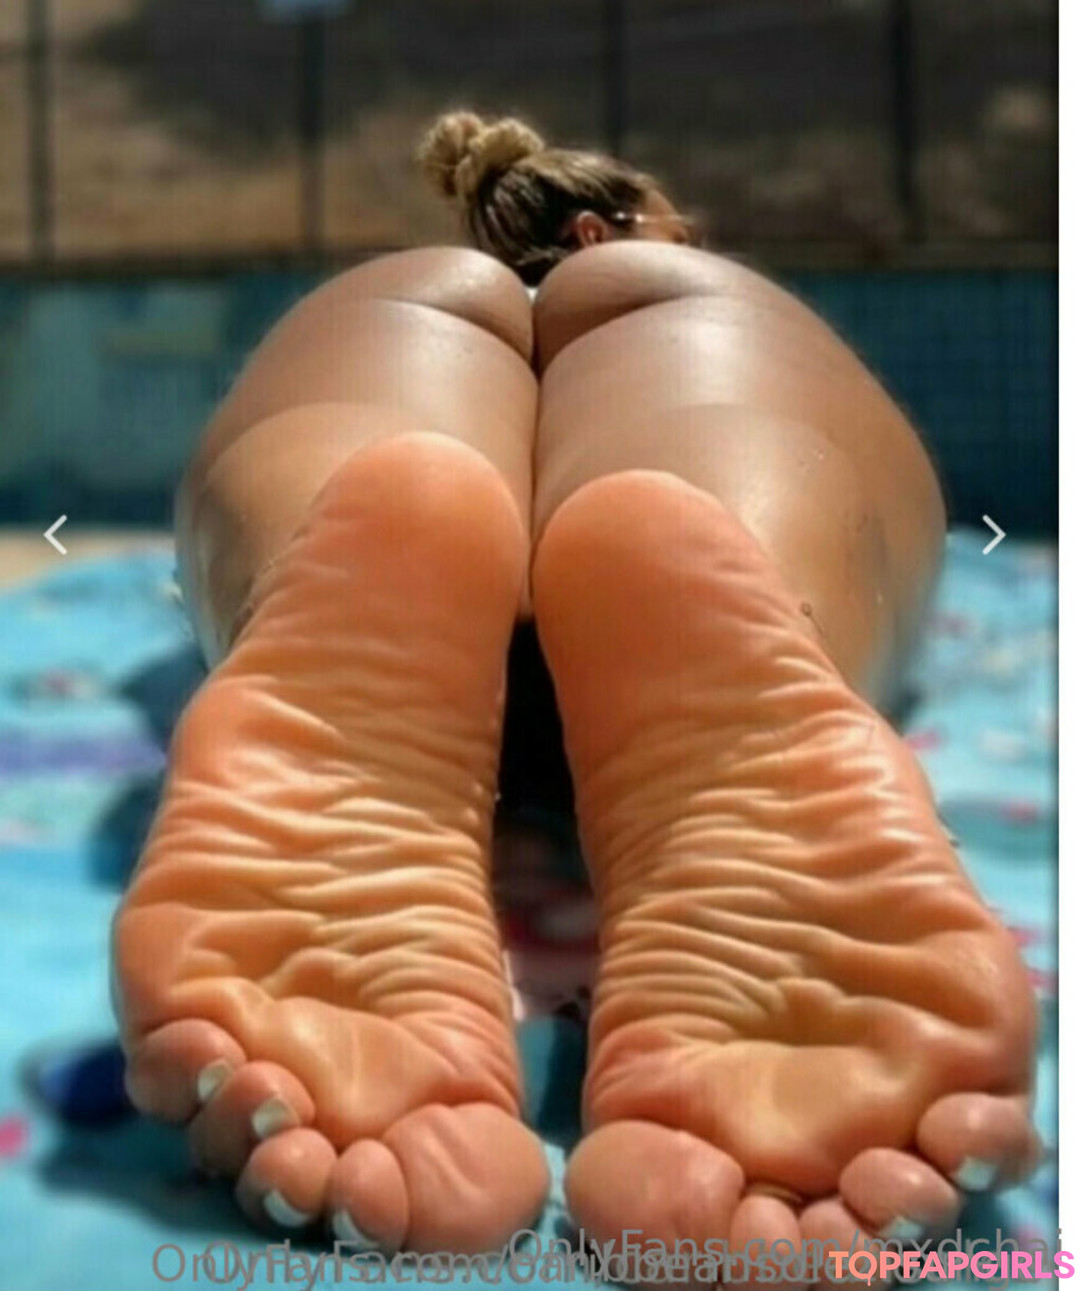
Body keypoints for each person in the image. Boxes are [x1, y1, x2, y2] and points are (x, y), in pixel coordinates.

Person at [110, 112, 1039, 1269]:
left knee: (380, 385)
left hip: (435, 644)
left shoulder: (453, 271)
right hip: (657, 665)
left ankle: (311, 571)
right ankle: (773, 606)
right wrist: (672, 269)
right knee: (725, 399)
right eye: (680, 229)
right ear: (608, 228)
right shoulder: (642, 264)